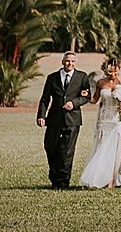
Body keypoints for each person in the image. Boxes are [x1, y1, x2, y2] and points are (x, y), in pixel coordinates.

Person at [35, 50, 93, 189]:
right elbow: (45, 99)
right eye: (67, 61)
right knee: (50, 147)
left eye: (73, 61)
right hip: (54, 119)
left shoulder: (82, 77)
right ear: (62, 61)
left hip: (72, 120)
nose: (70, 63)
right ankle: (54, 177)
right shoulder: (52, 78)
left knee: (67, 151)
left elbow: (86, 97)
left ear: (75, 63)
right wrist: (41, 116)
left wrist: (74, 103)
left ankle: (63, 182)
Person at [78, 56, 121, 189]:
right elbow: (94, 100)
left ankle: (111, 180)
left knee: (114, 150)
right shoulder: (101, 83)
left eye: (115, 71)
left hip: (117, 120)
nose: (112, 74)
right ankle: (98, 176)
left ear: (119, 70)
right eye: (110, 72)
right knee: (101, 148)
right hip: (103, 120)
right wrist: (85, 95)